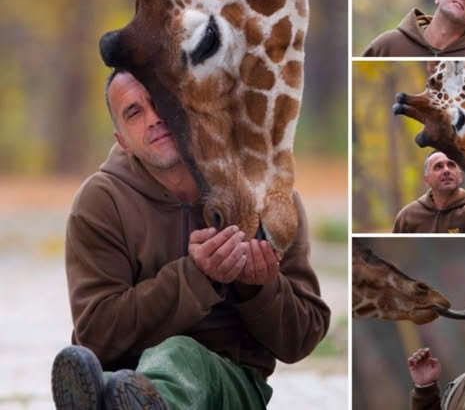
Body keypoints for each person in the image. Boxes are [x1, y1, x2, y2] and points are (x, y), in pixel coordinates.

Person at [51, 69, 331, 410]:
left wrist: (260, 288)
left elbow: (301, 340)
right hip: (129, 372)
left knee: (180, 355)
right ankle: (121, 397)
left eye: (160, 101)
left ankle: (111, 399)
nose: (154, 118)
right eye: (134, 112)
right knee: (122, 375)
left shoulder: (266, 193)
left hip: (233, 384)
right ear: (122, 139)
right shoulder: (100, 202)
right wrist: (195, 277)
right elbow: (94, 335)